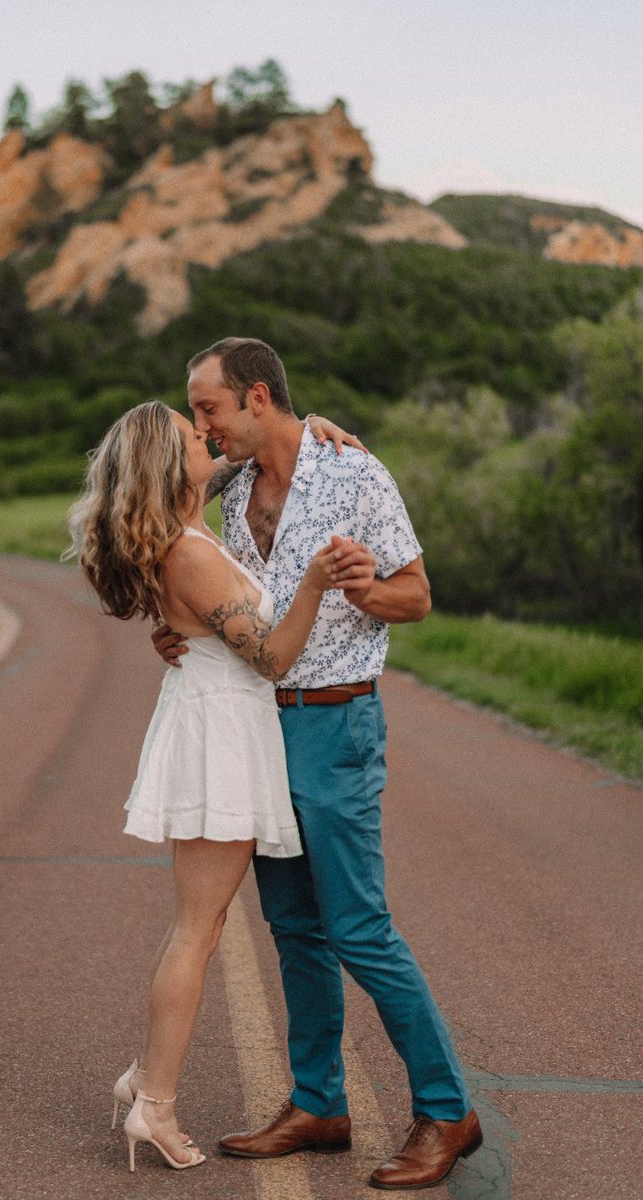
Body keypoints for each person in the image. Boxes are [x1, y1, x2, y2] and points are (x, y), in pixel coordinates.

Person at [152, 337, 482, 1191]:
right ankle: (318, 1104)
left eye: (209, 409)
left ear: (257, 398)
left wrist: (367, 587)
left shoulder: (356, 476)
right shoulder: (224, 488)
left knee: (360, 930)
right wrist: (178, 626)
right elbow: (217, 589)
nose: (202, 424)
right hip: (258, 728)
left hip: (338, 726)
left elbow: (417, 594)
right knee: (294, 930)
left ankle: (447, 1110)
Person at [67, 400, 363, 1174]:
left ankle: (145, 1076)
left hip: (223, 723)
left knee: (196, 925)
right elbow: (271, 659)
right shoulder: (189, 552)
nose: (207, 435)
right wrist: (315, 583)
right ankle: (156, 1105)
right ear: (172, 467)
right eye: (191, 433)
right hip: (220, 733)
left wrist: (314, 425)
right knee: (199, 931)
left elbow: (251, 452)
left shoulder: (190, 520)